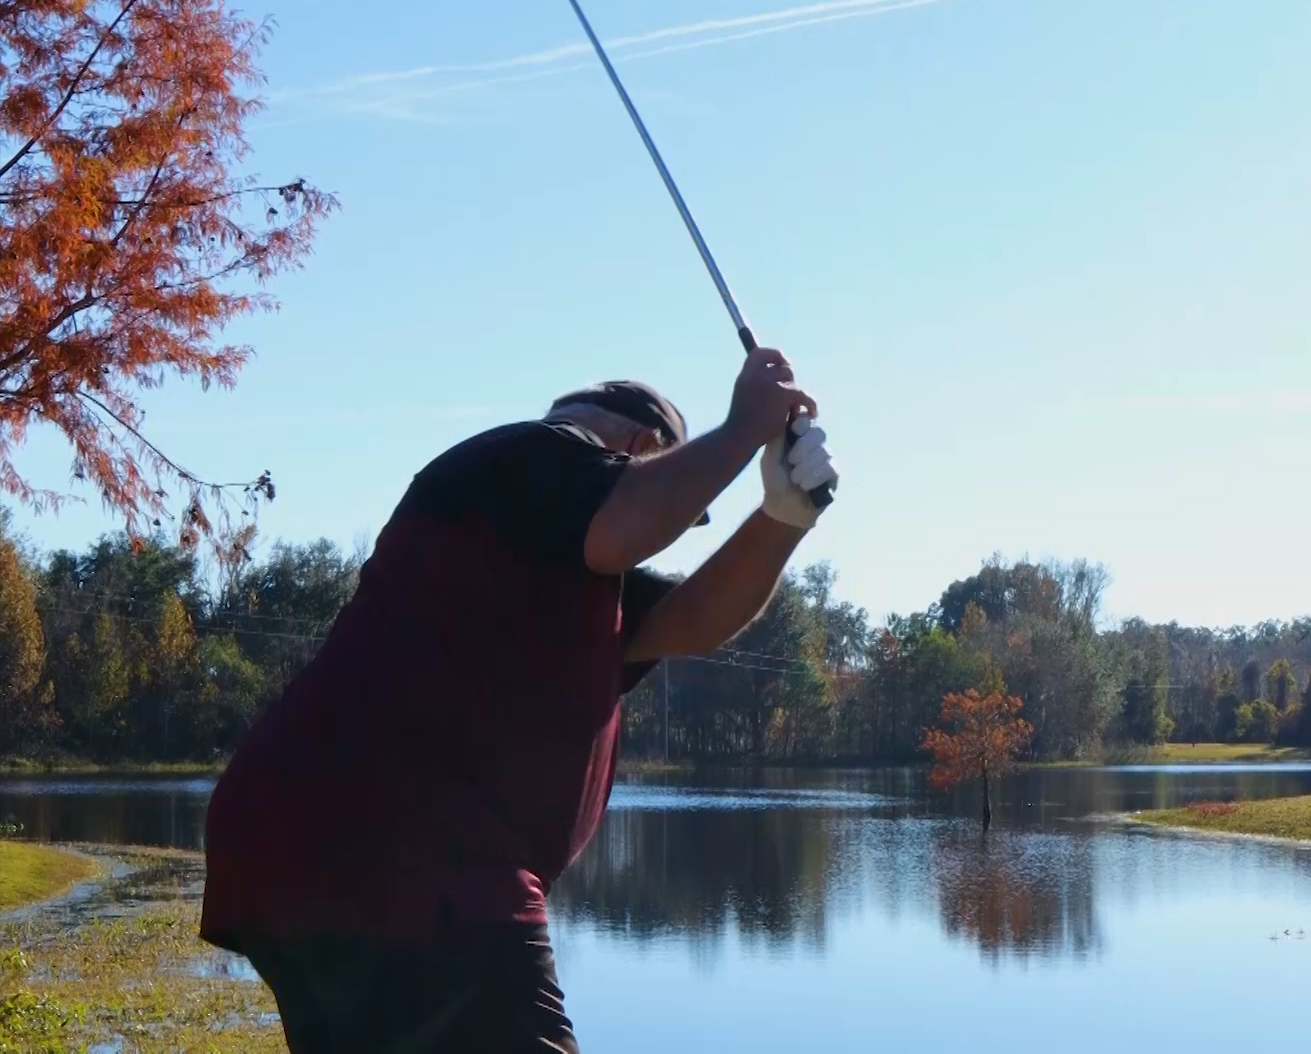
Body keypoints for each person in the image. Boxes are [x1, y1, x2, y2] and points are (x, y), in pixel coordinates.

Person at [198, 347, 837, 1053]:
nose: (668, 535)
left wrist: (784, 515)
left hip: (306, 850)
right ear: (639, 448)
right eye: (682, 508)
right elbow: (628, 515)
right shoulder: (535, 456)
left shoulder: (557, 558)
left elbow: (693, 618)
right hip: (419, 861)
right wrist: (745, 427)